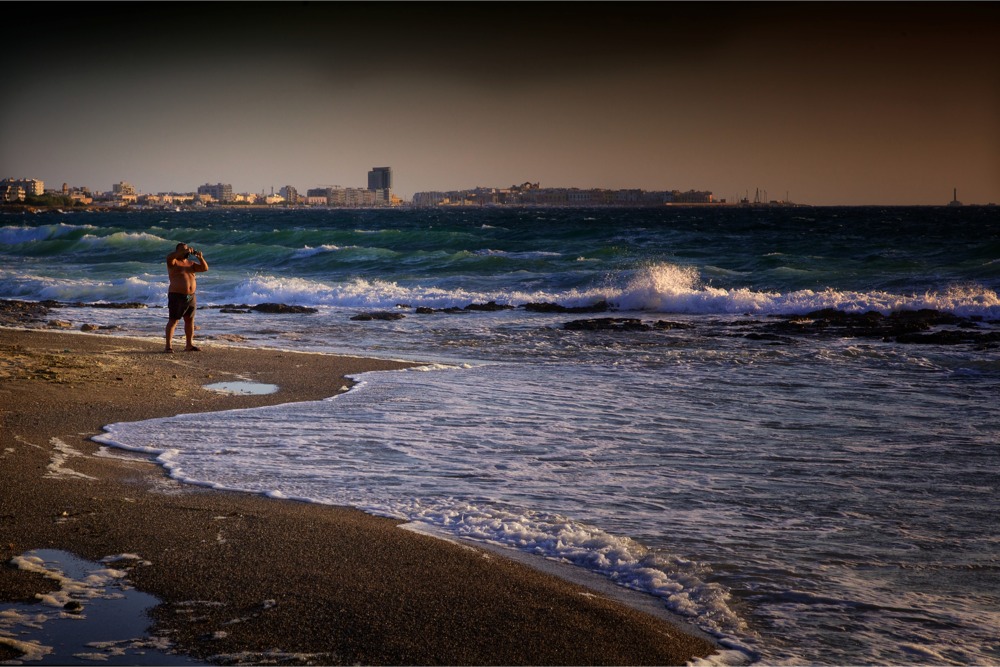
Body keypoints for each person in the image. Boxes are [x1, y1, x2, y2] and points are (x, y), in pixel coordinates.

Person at [165, 242, 208, 352]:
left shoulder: (191, 263)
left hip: (190, 297)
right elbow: (169, 257)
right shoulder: (173, 262)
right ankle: (168, 346)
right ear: (178, 251)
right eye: (184, 249)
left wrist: (200, 258)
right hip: (177, 296)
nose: (187, 251)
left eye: (187, 249)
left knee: (189, 320)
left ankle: (189, 345)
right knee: (173, 321)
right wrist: (180, 252)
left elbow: (204, 268)